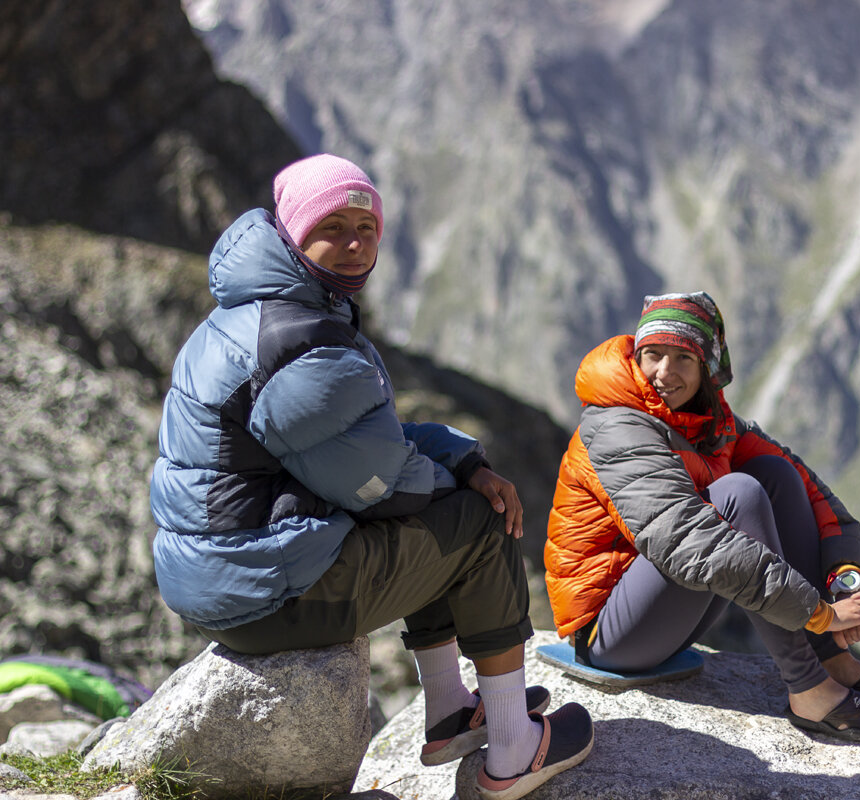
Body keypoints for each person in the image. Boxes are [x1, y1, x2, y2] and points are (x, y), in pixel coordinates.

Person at [150, 153, 592, 798]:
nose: (356, 243)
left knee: (446, 507)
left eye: (368, 226)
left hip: (228, 575)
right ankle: (513, 752)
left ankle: (448, 711)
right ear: (294, 230)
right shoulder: (299, 339)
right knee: (478, 523)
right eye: (334, 225)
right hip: (263, 595)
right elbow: (378, 483)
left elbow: (358, 443)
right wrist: (467, 486)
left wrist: (460, 457)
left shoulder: (261, 312)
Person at [545, 291, 860, 742]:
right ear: (636, 354)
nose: (664, 373)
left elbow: (807, 488)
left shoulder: (709, 421)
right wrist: (819, 613)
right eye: (652, 355)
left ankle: (831, 659)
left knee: (773, 473)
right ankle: (808, 687)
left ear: (706, 366)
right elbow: (687, 543)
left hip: (667, 607)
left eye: (683, 358)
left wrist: (845, 576)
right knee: (738, 493)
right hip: (610, 634)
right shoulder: (616, 425)